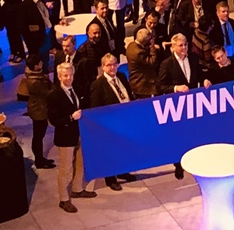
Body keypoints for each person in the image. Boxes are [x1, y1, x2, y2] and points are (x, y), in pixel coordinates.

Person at [158, 34, 212, 179]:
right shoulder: (167, 64)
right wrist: (176, 88)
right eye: (181, 45)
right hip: (177, 107)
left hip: (194, 103)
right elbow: (161, 87)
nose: (184, 48)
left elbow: (199, 74)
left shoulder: (193, 58)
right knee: (179, 136)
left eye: (185, 44)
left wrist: (205, 79)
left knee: (194, 133)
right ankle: (178, 164)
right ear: (174, 47)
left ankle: (195, 160)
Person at [48, 63, 97, 213]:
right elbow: (53, 120)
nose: (69, 78)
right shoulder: (54, 95)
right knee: (65, 169)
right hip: (65, 137)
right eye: (65, 75)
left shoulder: (76, 89)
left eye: (71, 75)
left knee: (81, 163)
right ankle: (64, 199)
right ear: (59, 76)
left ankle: (77, 188)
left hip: (79, 134)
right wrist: (71, 117)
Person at [90, 53, 136, 191]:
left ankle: (123, 170)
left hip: (125, 119)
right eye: (109, 65)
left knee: (124, 148)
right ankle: (110, 178)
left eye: (114, 64)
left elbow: (128, 94)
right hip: (110, 124)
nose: (112, 67)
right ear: (103, 67)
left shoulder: (121, 76)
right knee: (110, 151)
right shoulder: (98, 85)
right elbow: (96, 108)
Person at [24, 55, 55, 169]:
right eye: (40, 62)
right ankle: (39, 160)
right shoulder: (34, 82)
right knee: (38, 136)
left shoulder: (37, 76)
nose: (42, 63)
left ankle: (40, 158)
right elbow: (48, 93)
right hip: (38, 110)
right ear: (36, 66)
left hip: (40, 108)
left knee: (39, 135)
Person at [126, 28, 160, 98]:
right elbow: (152, 63)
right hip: (142, 84)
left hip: (134, 81)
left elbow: (143, 49)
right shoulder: (139, 53)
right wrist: (152, 47)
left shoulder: (131, 45)